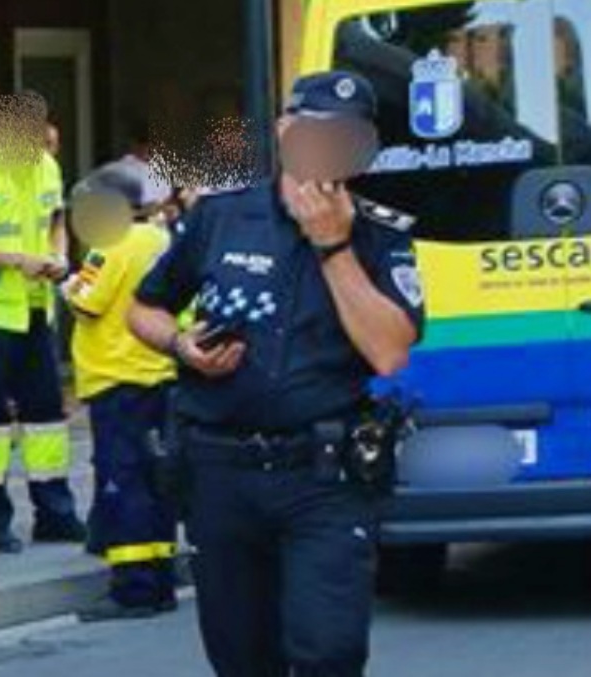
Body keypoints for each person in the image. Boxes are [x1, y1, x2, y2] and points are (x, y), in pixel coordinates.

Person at [128, 71, 425, 677]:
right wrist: (183, 346)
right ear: (286, 131)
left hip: (323, 476)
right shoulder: (219, 217)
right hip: (221, 471)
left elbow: (390, 353)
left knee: (329, 652)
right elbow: (143, 308)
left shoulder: (380, 236)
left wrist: (333, 247)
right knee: (241, 657)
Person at [0, 94, 84, 554]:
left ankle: (56, 513)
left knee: (46, 415)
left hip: (35, 307)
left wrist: (59, 255)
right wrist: (13, 260)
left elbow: (56, 221)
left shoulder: (46, 167)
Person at [62, 168, 178, 621]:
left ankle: (133, 588)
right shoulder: (161, 239)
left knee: (121, 482)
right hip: (159, 373)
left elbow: (85, 301)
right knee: (155, 481)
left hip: (116, 377)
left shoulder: (109, 245)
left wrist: (65, 281)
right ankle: (161, 578)